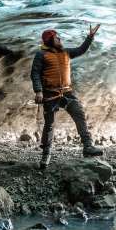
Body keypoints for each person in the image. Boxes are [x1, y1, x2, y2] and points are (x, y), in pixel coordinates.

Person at [30, 24, 102, 169]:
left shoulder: (66, 52)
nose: (60, 39)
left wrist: (90, 37)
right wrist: (38, 91)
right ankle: (46, 154)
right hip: (50, 94)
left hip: (67, 93)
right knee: (49, 125)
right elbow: (35, 73)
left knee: (79, 113)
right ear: (50, 40)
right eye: (57, 38)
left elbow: (81, 50)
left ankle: (88, 147)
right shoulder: (41, 55)